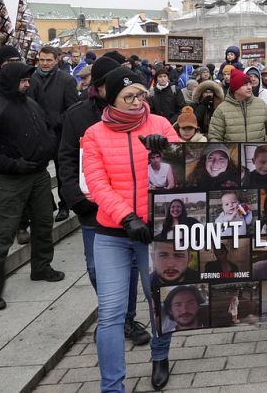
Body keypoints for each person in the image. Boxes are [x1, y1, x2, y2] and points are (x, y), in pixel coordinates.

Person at [81, 66, 180, 390]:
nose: (138, 101)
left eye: (140, 93)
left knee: (158, 302)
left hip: (155, 232)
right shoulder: (95, 134)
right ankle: (112, 386)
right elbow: (97, 184)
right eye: (128, 96)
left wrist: (165, 151)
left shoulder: (161, 125)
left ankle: (160, 355)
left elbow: (185, 173)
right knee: (109, 313)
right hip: (113, 233)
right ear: (111, 99)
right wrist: (127, 217)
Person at [0, 63, 65, 313]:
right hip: (10, 180)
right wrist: (14, 165)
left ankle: (42, 267)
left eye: (28, 80)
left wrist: (49, 146)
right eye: (23, 81)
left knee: (44, 222)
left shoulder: (30, 103)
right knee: (1, 235)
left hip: (39, 175)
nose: (27, 84)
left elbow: (46, 128)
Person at [28, 45, 78, 222]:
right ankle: (46, 205)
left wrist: (56, 121)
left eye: (49, 60)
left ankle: (64, 205)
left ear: (56, 60)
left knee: (61, 171)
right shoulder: (32, 78)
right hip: (36, 134)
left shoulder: (66, 80)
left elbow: (72, 110)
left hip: (59, 134)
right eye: (42, 60)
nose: (45, 63)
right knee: (38, 172)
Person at [208, 68, 267, 142]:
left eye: (250, 84)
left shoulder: (261, 104)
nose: (250, 87)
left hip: (258, 152)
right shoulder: (222, 109)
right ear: (235, 88)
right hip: (233, 152)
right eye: (245, 84)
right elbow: (215, 137)